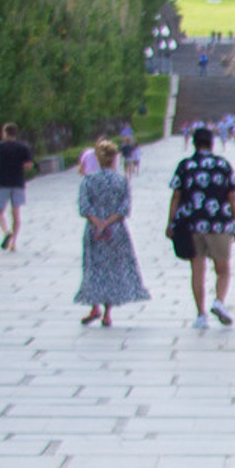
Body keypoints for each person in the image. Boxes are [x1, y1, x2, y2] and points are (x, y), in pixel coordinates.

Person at [166, 125, 235, 329]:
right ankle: (218, 301)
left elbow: (176, 196)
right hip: (220, 223)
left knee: (197, 270)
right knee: (223, 269)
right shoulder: (223, 165)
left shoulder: (186, 165)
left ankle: (200, 314)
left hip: (192, 223)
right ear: (212, 143)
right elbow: (232, 196)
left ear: (194, 143)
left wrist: (170, 222)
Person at [75, 131, 150, 329]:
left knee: (93, 267)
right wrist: (108, 222)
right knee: (111, 270)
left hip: (93, 230)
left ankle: (94, 305)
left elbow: (84, 207)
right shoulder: (121, 181)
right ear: (115, 159)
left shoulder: (88, 181)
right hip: (116, 230)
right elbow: (124, 208)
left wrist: (98, 223)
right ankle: (107, 313)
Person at [0, 122, 34, 251]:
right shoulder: (23, 147)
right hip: (18, 183)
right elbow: (29, 165)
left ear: (5, 132)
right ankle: (13, 242)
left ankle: (6, 231)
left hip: (2, 182)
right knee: (16, 213)